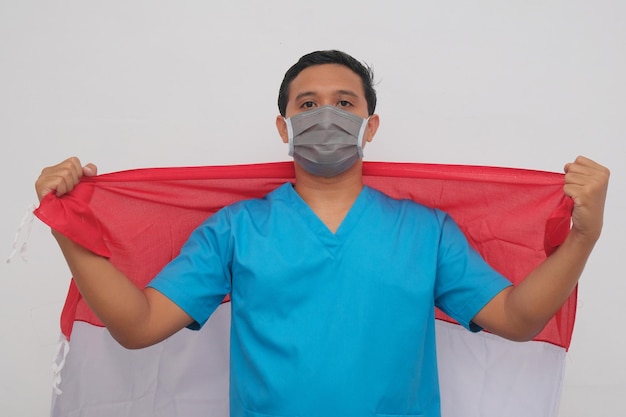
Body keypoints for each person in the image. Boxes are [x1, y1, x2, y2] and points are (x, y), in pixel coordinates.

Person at [35, 50, 609, 417]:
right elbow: (136, 326)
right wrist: (66, 224)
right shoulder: (237, 230)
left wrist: (583, 236)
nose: (325, 116)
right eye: (308, 104)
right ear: (284, 125)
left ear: (370, 125)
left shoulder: (424, 231)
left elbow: (517, 317)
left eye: (344, 103)